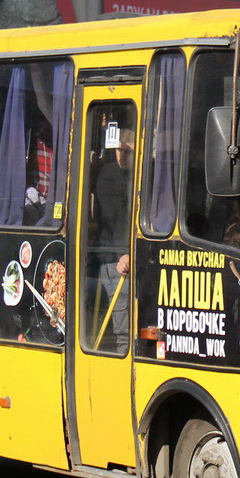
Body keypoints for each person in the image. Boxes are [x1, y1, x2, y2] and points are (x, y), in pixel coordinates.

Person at [93, 128, 134, 345]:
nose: (121, 155)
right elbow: (116, 216)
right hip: (115, 259)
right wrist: (125, 253)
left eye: (127, 151)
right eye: (118, 150)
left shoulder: (141, 173)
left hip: (137, 255)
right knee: (124, 333)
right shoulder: (109, 175)